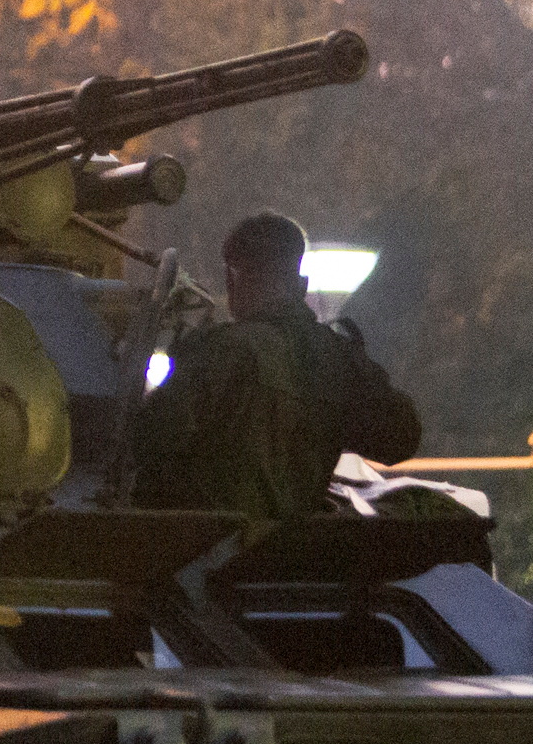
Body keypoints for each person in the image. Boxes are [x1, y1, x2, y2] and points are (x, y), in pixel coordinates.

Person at [130, 211, 423, 522]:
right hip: (291, 554)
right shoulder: (338, 357)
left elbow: (150, 444)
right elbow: (400, 439)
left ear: (233, 279)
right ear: (301, 285)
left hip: (211, 553)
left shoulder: (212, 349)